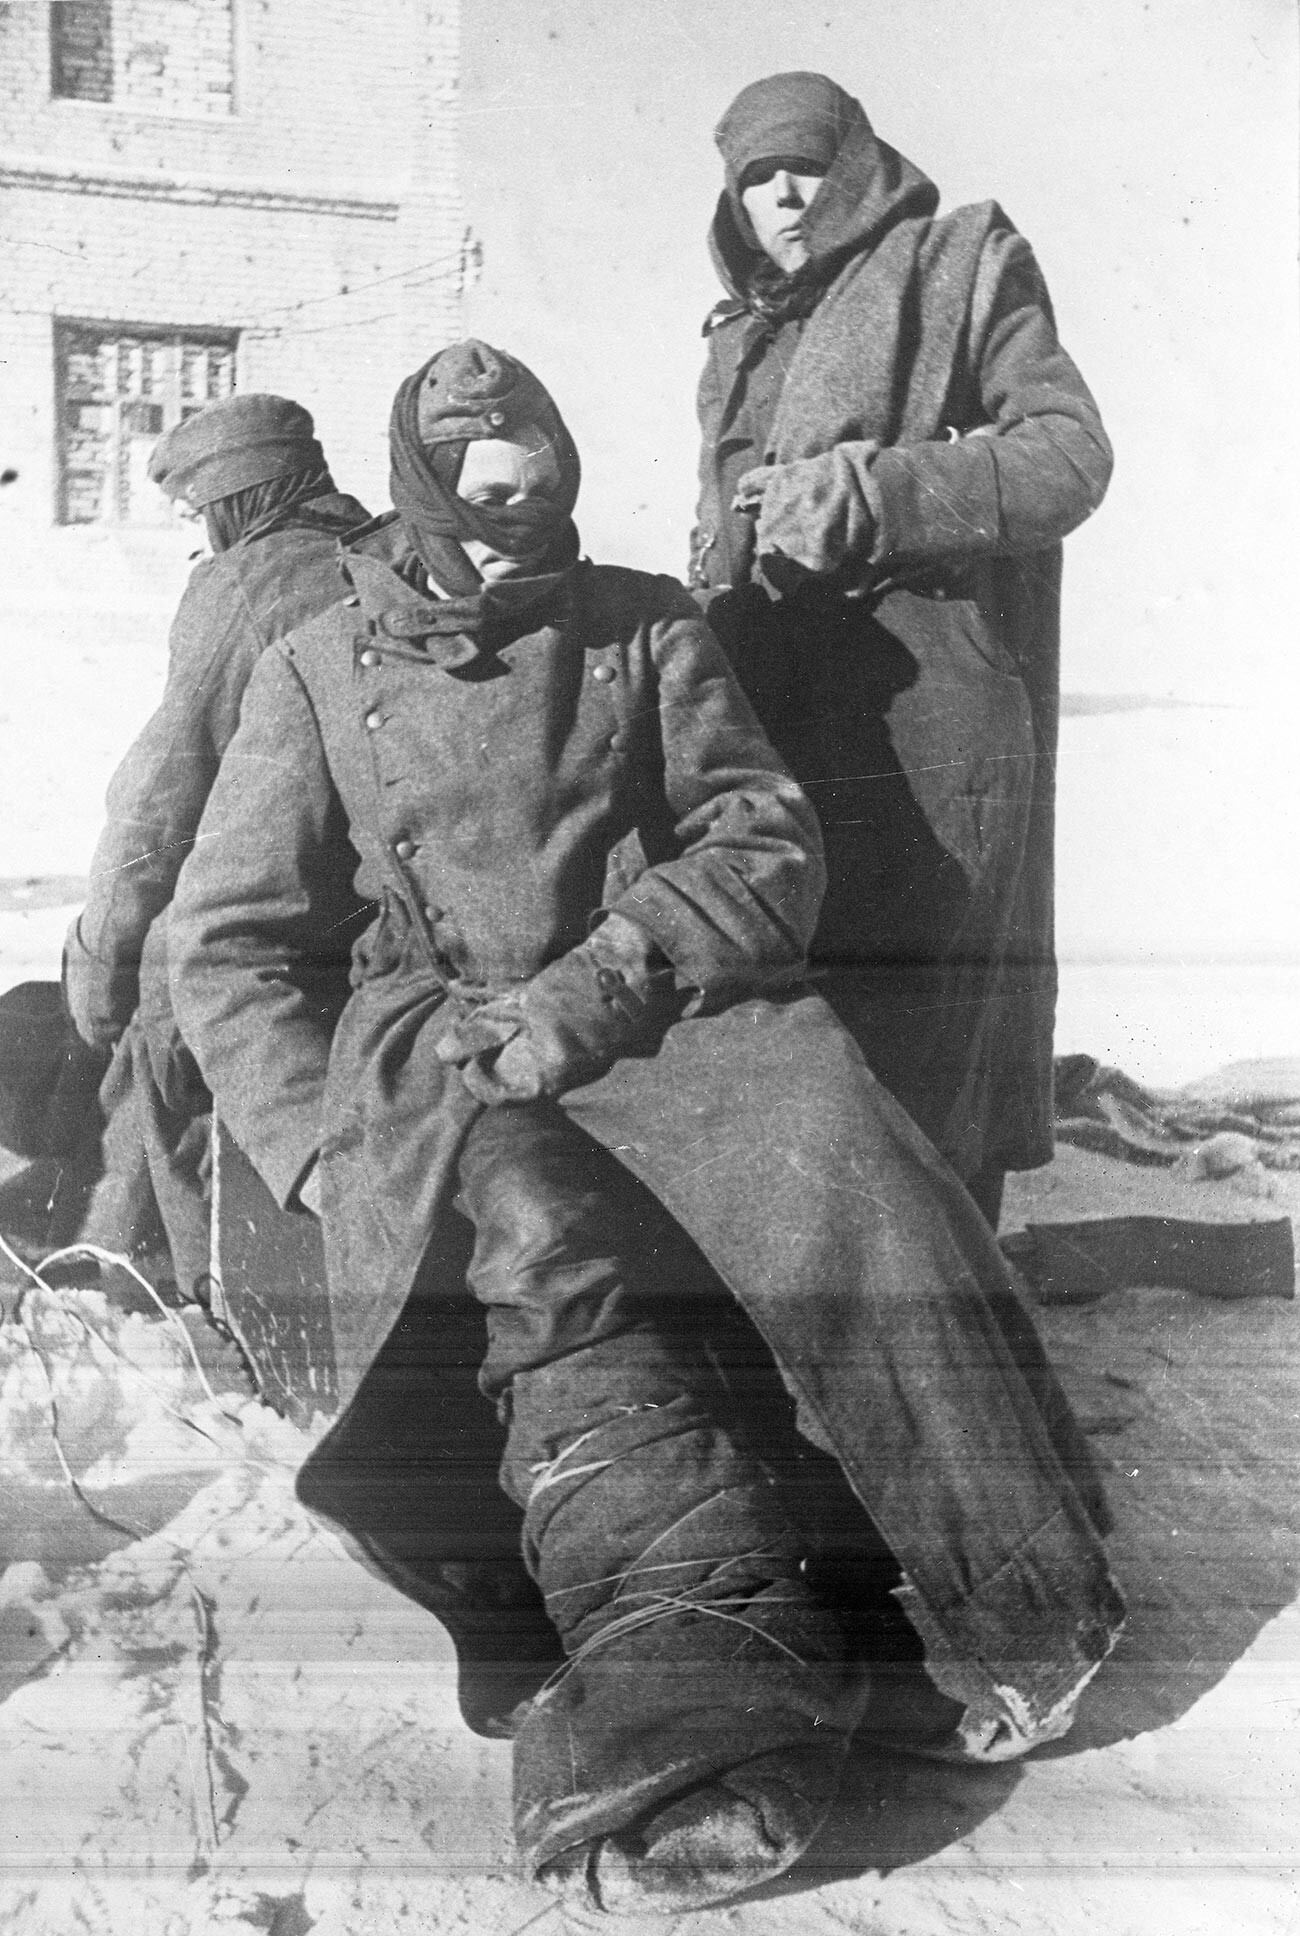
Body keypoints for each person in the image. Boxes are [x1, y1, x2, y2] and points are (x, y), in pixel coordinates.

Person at [169, 341, 1123, 1917]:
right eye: (480, 516)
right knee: (546, 1247)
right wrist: (320, 1146)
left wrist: (613, 969)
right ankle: (679, 1674)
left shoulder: (641, 624)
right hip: (449, 1048)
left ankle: (1022, 1613)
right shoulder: (317, 668)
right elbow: (226, 943)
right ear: (419, 503)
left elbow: (764, 832)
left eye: (537, 508)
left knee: (850, 1175)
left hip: (670, 1008)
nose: (510, 545)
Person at [691, 71, 1114, 1232]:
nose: (781, 197)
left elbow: (1068, 459)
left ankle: (958, 1374)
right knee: (806, 1058)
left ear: (857, 167)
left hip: (929, 736)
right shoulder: (740, 337)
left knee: (926, 1076)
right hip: (779, 735)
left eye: (803, 169)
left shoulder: (959, 262)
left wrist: (873, 494)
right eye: (754, 178)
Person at [62, 395, 369, 1298]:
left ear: (235, 498)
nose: (196, 536)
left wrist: (100, 961)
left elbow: (162, 795)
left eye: (197, 513)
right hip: (374, 912)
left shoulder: (246, 583)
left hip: (265, 907)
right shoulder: (389, 554)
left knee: (161, 1001)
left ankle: (158, 1285)